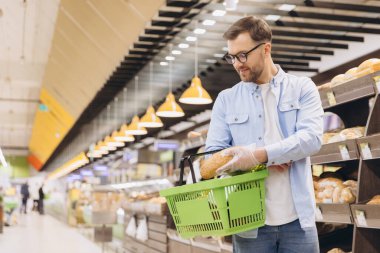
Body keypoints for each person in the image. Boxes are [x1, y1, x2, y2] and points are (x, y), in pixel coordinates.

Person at [205, 16, 323, 253]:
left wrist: (261, 155)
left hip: (298, 221)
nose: (238, 64)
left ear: (266, 48)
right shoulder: (226, 100)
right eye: (232, 57)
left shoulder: (302, 88)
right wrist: (258, 162)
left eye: (242, 55)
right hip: (248, 223)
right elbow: (211, 160)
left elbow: (311, 139)